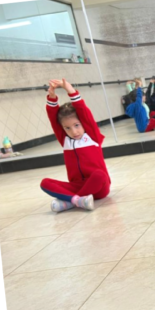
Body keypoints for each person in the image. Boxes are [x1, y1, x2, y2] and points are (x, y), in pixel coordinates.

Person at [40, 78, 111, 212]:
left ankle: (71, 201)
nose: (74, 132)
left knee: (100, 175)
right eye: (67, 128)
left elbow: (83, 112)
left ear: (83, 123)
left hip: (99, 188)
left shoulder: (93, 137)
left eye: (77, 125)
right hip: (77, 186)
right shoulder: (65, 140)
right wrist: (52, 97)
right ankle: (78, 200)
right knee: (45, 183)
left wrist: (70, 90)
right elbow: (53, 118)